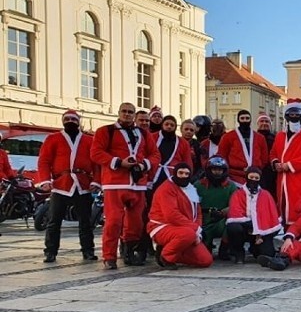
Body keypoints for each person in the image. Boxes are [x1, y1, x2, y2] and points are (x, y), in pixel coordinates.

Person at [90, 102, 160, 269]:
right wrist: (119, 162)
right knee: (113, 222)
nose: (127, 114)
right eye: (124, 111)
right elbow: (96, 153)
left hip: (137, 184)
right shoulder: (105, 131)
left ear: (134, 115)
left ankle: (129, 252)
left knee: (136, 223)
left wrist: (144, 165)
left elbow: (155, 154)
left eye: (130, 112)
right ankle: (109, 256)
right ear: (119, 112)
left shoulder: (143, 133)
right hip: (115, 183)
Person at [36, 109, 98, 263]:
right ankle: (50, 252)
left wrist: (96, 181)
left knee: (85, 221)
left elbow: (97, 164)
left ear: (79, 121)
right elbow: (44, 161)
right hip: (60, 184)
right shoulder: (53, 139)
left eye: (73, 119)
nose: (70, 121)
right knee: (54, 220)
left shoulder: (89, 140)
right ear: (63, 121)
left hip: (82, 184)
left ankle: (88, 251)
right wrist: (45, 180)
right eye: (67, 119)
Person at [146, 162, 212, 270]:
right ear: (175, 173)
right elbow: (171, 215)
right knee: (188, 234)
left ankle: (171, 251)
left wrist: (198, 232)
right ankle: (166, 256)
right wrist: (195, 229)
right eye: (180, 173)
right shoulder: (166, 189)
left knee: (205, 260)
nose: (183, 176)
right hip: (162, 226)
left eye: (186, 174)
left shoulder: (191, 188)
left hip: (185, 229)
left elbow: (197, 213)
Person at [270, 100, 301, 226]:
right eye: (291, 114)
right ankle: (286, 233)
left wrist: (289, 165)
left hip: (299, 177)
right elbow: (273, 153)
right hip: (282, 177)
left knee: (299, 205)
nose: (294, 117)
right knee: (283, 204)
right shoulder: (280, 135)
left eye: (297, 114)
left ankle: (299, 234)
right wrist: (275, 163)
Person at [225, 166, 281, 264]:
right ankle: (239, 252)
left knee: (268, 254)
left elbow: (271, 216)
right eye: (251, 177)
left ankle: (255, 249)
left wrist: (259, 229)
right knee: (234, 228)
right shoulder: (238, 194)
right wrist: (251, 225)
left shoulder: (266, 195)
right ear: (247, 177)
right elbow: (235, 214)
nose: (253, 180)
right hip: (244, 228)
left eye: (256, 178)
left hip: (262, 230)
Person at [195, 155, 238, 260]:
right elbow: (191, 206)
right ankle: (206, 244)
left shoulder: (231, 186)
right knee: (204, 256)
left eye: (220, 170)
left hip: (222, 220)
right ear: (208, 170)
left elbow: (236, 205)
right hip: (203, 221)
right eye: (214, 169)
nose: (217, 172)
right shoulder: (198, 185)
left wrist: (223, 212)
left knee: (233, 225)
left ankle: (224, 249)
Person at [218, 109, 269, 185]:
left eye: (247, 118)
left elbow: (264, 158)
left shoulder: (260, 137)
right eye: (242, 118)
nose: (245, 121)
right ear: (238, 120)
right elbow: (222, 155)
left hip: (254, 176)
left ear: (250, 120)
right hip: (235, 177)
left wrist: (256, 168)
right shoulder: (228, 137)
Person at [151, 115, 192, 190]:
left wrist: (186, 178)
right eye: (166, 124)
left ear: (175, 127)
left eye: (172, 125)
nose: (169, 127)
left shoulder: (183, 143)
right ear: (162, 125)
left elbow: (187, 162)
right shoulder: (152, 138)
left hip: (173, 176)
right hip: (153, 176)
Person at [256, 113, 278, 196]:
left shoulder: (275, 138)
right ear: (258, 124)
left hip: (272, 172)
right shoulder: (253, 137)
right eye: (262, 121)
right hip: (258, 170)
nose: (264, 123)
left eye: (267, 121)